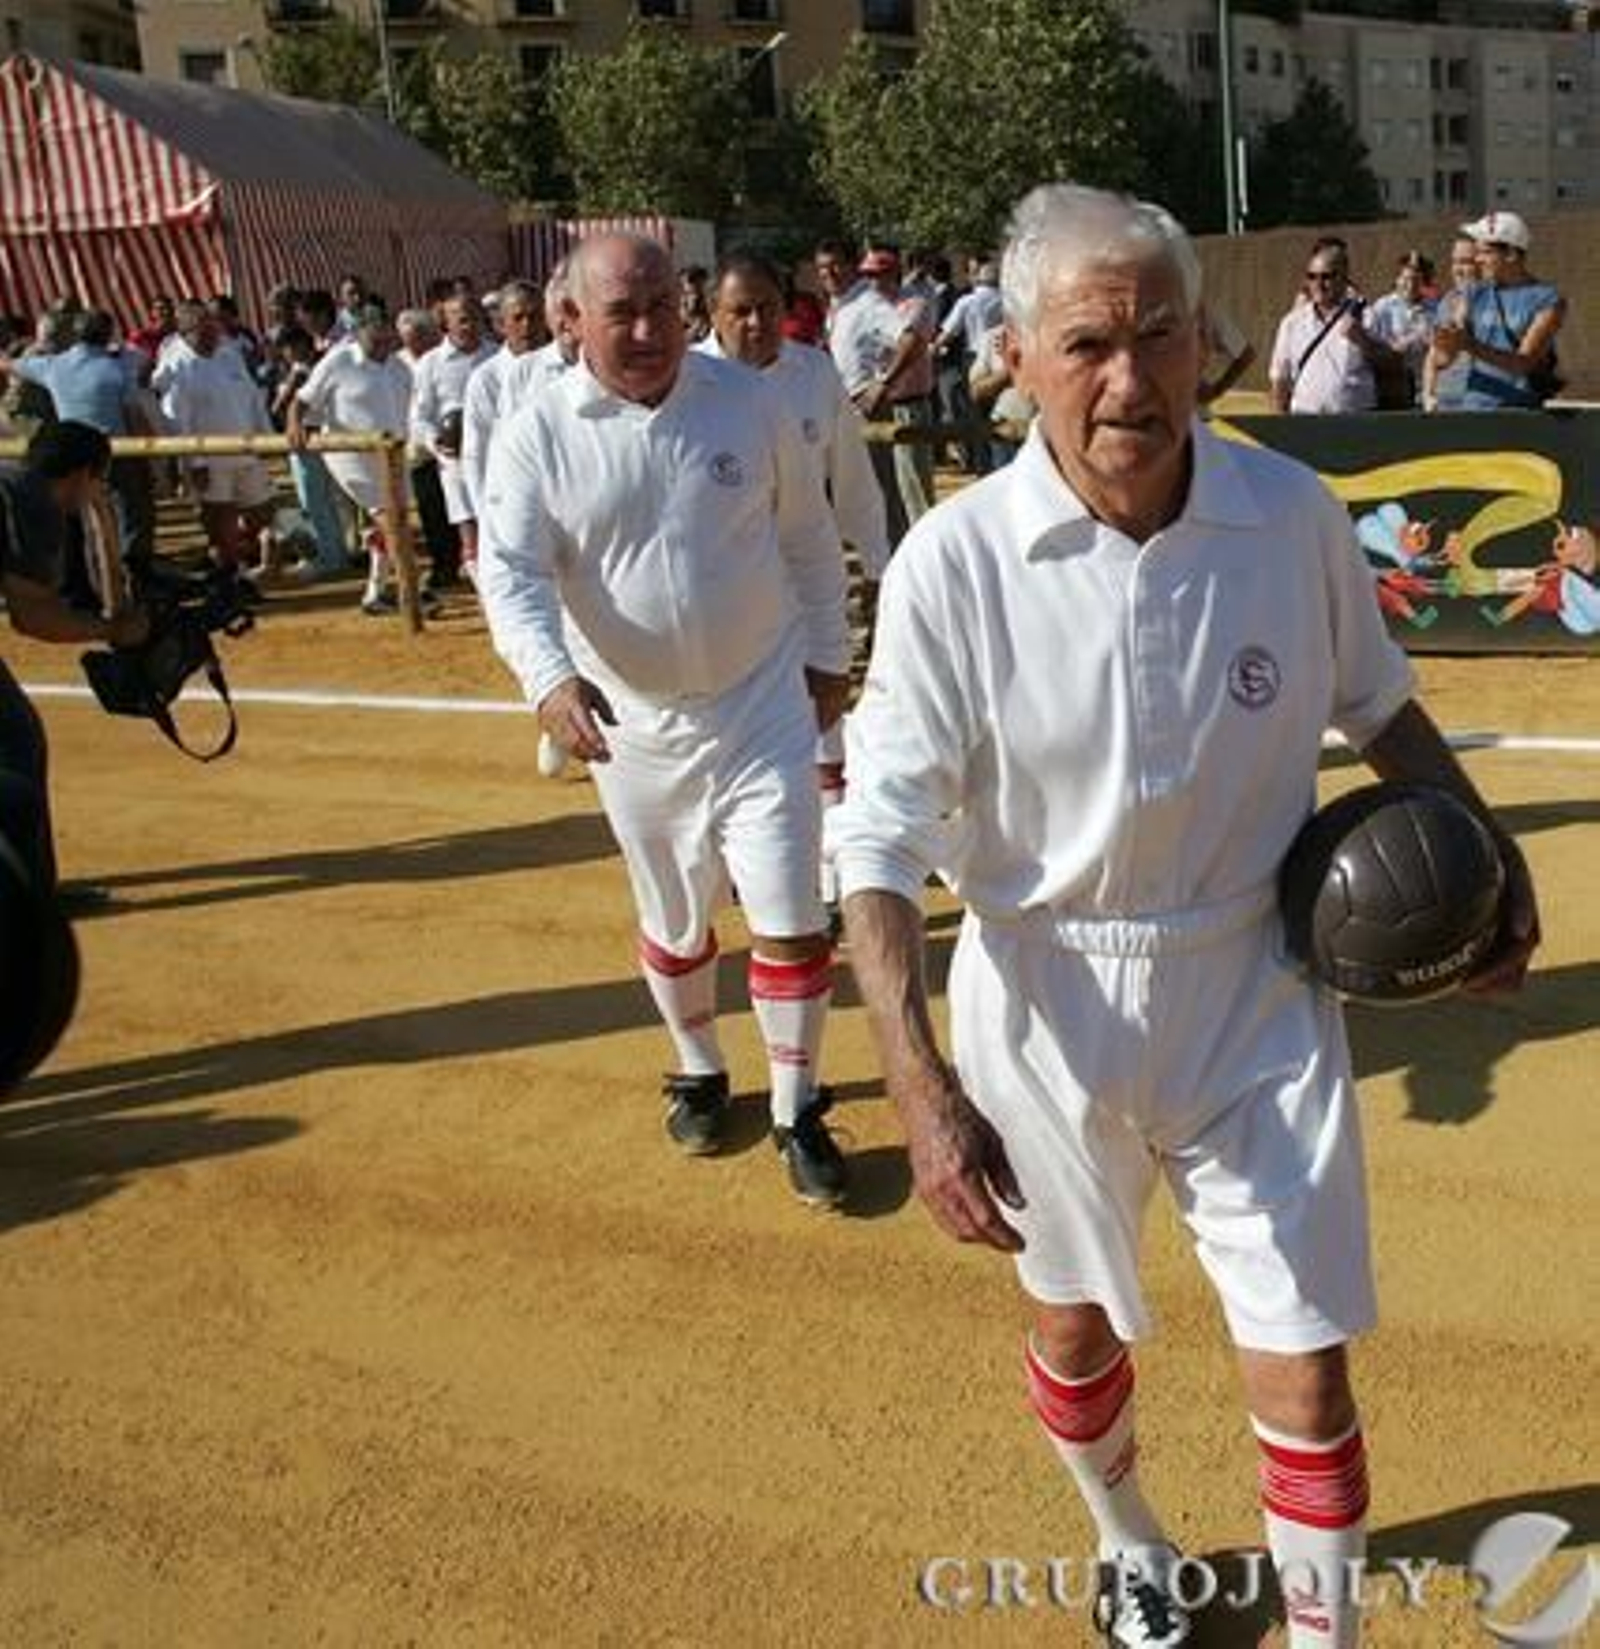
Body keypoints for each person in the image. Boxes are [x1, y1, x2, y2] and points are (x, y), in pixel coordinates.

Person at [830, 184, 1540, 1649]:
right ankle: (1130, 1538)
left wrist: (1491, 857)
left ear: (1208, 345)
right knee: (1079, 1330)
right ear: (1018, 357)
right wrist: (919, 1085)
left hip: (1257, 985)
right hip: (1042, 1003)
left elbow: (1383, 714)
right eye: (1089, 339)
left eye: (1161, 333)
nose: (1130, 377)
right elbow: (879, 843)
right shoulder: (951, 568)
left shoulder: (1285, 517)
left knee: (1309, 1369)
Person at [477, 233, 854, 1208]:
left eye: (662, 308)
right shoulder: (537, 432)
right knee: (676, 919)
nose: (648, 332)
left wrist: (828, 656)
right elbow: (510, 575)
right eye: (621, 314)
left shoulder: (748, 402)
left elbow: (809, 538)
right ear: (571, 321)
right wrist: (548, 679)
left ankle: (795, 1106)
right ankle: (697, 1066)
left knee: (793, 917)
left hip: (762, 701)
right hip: (631, 724)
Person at [701, 250, 890, 920]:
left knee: (824, 720)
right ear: (712, 315)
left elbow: (853, 476)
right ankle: (736, 864)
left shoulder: (814, 374)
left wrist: (876, 562)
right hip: (723, 597)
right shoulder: (685, 382)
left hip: (809, 583)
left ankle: (832, 881)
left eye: (767, 308)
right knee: (734, 736)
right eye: (739, 311)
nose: (755, 323)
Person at [0, 421, 148, 897]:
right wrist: (112, 630)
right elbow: (34, 615)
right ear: (84, 474)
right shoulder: (31, 500)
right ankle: (29, 894)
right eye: (97, 482)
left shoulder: (12, 483)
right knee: (16, 745)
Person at [288, 306, 419, 617]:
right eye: (373, 335)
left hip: (393, 454)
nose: (381, 341)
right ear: (358, 334)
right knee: (391, 520)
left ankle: (375, 593)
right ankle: (408, 590)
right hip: (348, 454)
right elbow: (302, 399)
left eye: (385, 333)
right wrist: (294, 424)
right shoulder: (339, 359)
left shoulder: (400, 368)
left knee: (395, 519)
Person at [0, 309, 156, 568]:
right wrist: (151, 455)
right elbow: (133, 416)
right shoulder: (117, 368)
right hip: (115, 454)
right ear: (108, 335)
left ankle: (92, 578)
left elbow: (8, 364)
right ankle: (132, 574)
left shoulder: (54, 365)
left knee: (80, 525)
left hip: (70, 458)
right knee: (130, 515)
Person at [828, 243, 937, 548]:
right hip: (868, 408)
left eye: (881, 273)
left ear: (895, 274)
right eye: (868, 274)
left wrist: (883, 383)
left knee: (911, 491)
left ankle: (922, 555)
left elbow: (913, 340)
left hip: (906, 405)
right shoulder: (854, 305)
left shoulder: (911, 304)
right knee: (880, 492)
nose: (874, 280)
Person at [159, 302, 280, 576]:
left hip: (248, 452)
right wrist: (195, 462)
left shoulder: (229, 354)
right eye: (205, 331)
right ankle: (232, 578)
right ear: (185, 333)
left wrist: (267, 438)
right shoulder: (177, 366)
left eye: (214, 328)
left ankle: (249, 563)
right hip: (210, 461)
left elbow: (252, 397)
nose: (213, 336)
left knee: (263, 512)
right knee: (220, 522)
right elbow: (178, 422)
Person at [1434, 211, 1566, 410]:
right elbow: (1443, 359)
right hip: (1473, 409)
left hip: (1520, 416)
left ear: (1511, 254)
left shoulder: (1547, 299)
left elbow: (1524, 363)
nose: (1477, 260)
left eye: (1485, 252)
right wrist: (1446, 343)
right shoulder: (1474, 292)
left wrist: (1467, 344)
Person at [408, 294, 495, 588]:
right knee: (468, 522)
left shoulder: (498, 355)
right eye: (462, 319)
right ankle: (481, 583)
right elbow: (419, 417)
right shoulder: (429, 364)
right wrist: (437, 443)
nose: (470, 325)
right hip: (455, 457)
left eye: (474, 316)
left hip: (498, 452)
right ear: (446, 323)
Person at [1268, 242, 1395, 414]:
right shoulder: (1292, 323)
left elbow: (1391, 366)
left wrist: (1362, 340)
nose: (1318, 283)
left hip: (1356, 421)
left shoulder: (1367, 316)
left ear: (1344, 278)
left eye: (1326, 276)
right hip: (1304, 421)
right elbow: (1279, 380)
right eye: (1312, 276)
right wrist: (1280, 426)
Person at [460, 281, 549, 518]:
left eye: (534, 316)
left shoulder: (565, 369)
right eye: (518, 317)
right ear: (501, 324)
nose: (527, 325)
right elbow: (475, 452)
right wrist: (485, 515)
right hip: (512, 501)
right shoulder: (486, 379)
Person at [935, 259, 1004, 473]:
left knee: (975, 413)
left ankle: (981, 464)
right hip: (1002, 355)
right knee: (1000, 411)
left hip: (974, 358)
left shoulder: (967, 301)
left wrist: (934, 349)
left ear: (978, 278)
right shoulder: (1007, 299)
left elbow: (949, 332)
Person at [1364, 253, 1436, 408]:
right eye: (1405, 278)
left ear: (1424, 282)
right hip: (1391, 388)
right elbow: (1370, 343)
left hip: (1421, 389)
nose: (1410, 285)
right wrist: (1392, 348)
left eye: (1416, 280)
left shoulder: (1434, 309)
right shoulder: (1383, 307)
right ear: (1397, 279)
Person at [1422, 238, 1480, 412]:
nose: (1458, 270)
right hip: (1445, 401)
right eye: (1455, 262)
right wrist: (1428, 394)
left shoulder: (1496, 301)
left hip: (1478, 404)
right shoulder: (1447, 301)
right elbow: (1433, 354)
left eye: (1466, 262)